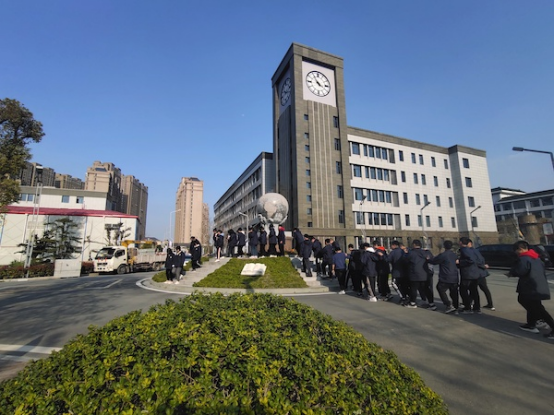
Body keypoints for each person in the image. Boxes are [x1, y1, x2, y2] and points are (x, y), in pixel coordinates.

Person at [507, 240, 554, 339]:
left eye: (516, 250)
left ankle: (543, 322)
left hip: (529, 286)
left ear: (520, 249)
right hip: (539, 285)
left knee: (534, 306)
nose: (515, 252)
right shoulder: (536, 257)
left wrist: (511, 273)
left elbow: (520, 271)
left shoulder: (524, 259)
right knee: (534, 305)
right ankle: (531, 324)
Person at [429, 240, 460, 314]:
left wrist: (428, 259)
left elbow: (434, 261)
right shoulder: (454, 255)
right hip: (454, 276)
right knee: (454, 292)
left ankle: (448, 304)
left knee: (440, 288)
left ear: (444, 246)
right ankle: (456, 306)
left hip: (446, 276)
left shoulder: (443, 255)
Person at [406, 239, 436, 310]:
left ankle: (413, 303)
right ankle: (431, 304)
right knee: (427, 289)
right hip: (425, 274)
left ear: (414, 245)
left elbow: (406, 261)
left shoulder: (411, 253)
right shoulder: (425, 252)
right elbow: (432, 259)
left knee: (414, 289)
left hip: (415, 274)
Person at [457, 237, 482, 314]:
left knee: (463, 290)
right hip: (474, 273)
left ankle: (467, 307)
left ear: (461, 242)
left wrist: (460, 262)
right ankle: (477, 307)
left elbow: (471, 260)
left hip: (467, 274)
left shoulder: (464, 250)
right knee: (474, 291)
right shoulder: (472, 250)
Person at [470, 239, 495, 311]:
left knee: (473, 289)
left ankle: (470, 303)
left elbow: (475, 262)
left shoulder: (471, 252)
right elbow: (481, 260)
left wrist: (482, 266)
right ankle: (490, 304)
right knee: (484, 289)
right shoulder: (476, 251)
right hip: (482, 273)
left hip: (477, 273)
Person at [388, 240, 409, 305]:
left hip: (396, 272)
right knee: (404, 285)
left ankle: (403, 297)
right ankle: (407, 296)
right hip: (405, 272)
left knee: (395, 284)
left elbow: (388, 260)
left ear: (394, 245)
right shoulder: (403, 251)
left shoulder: (393, 253)